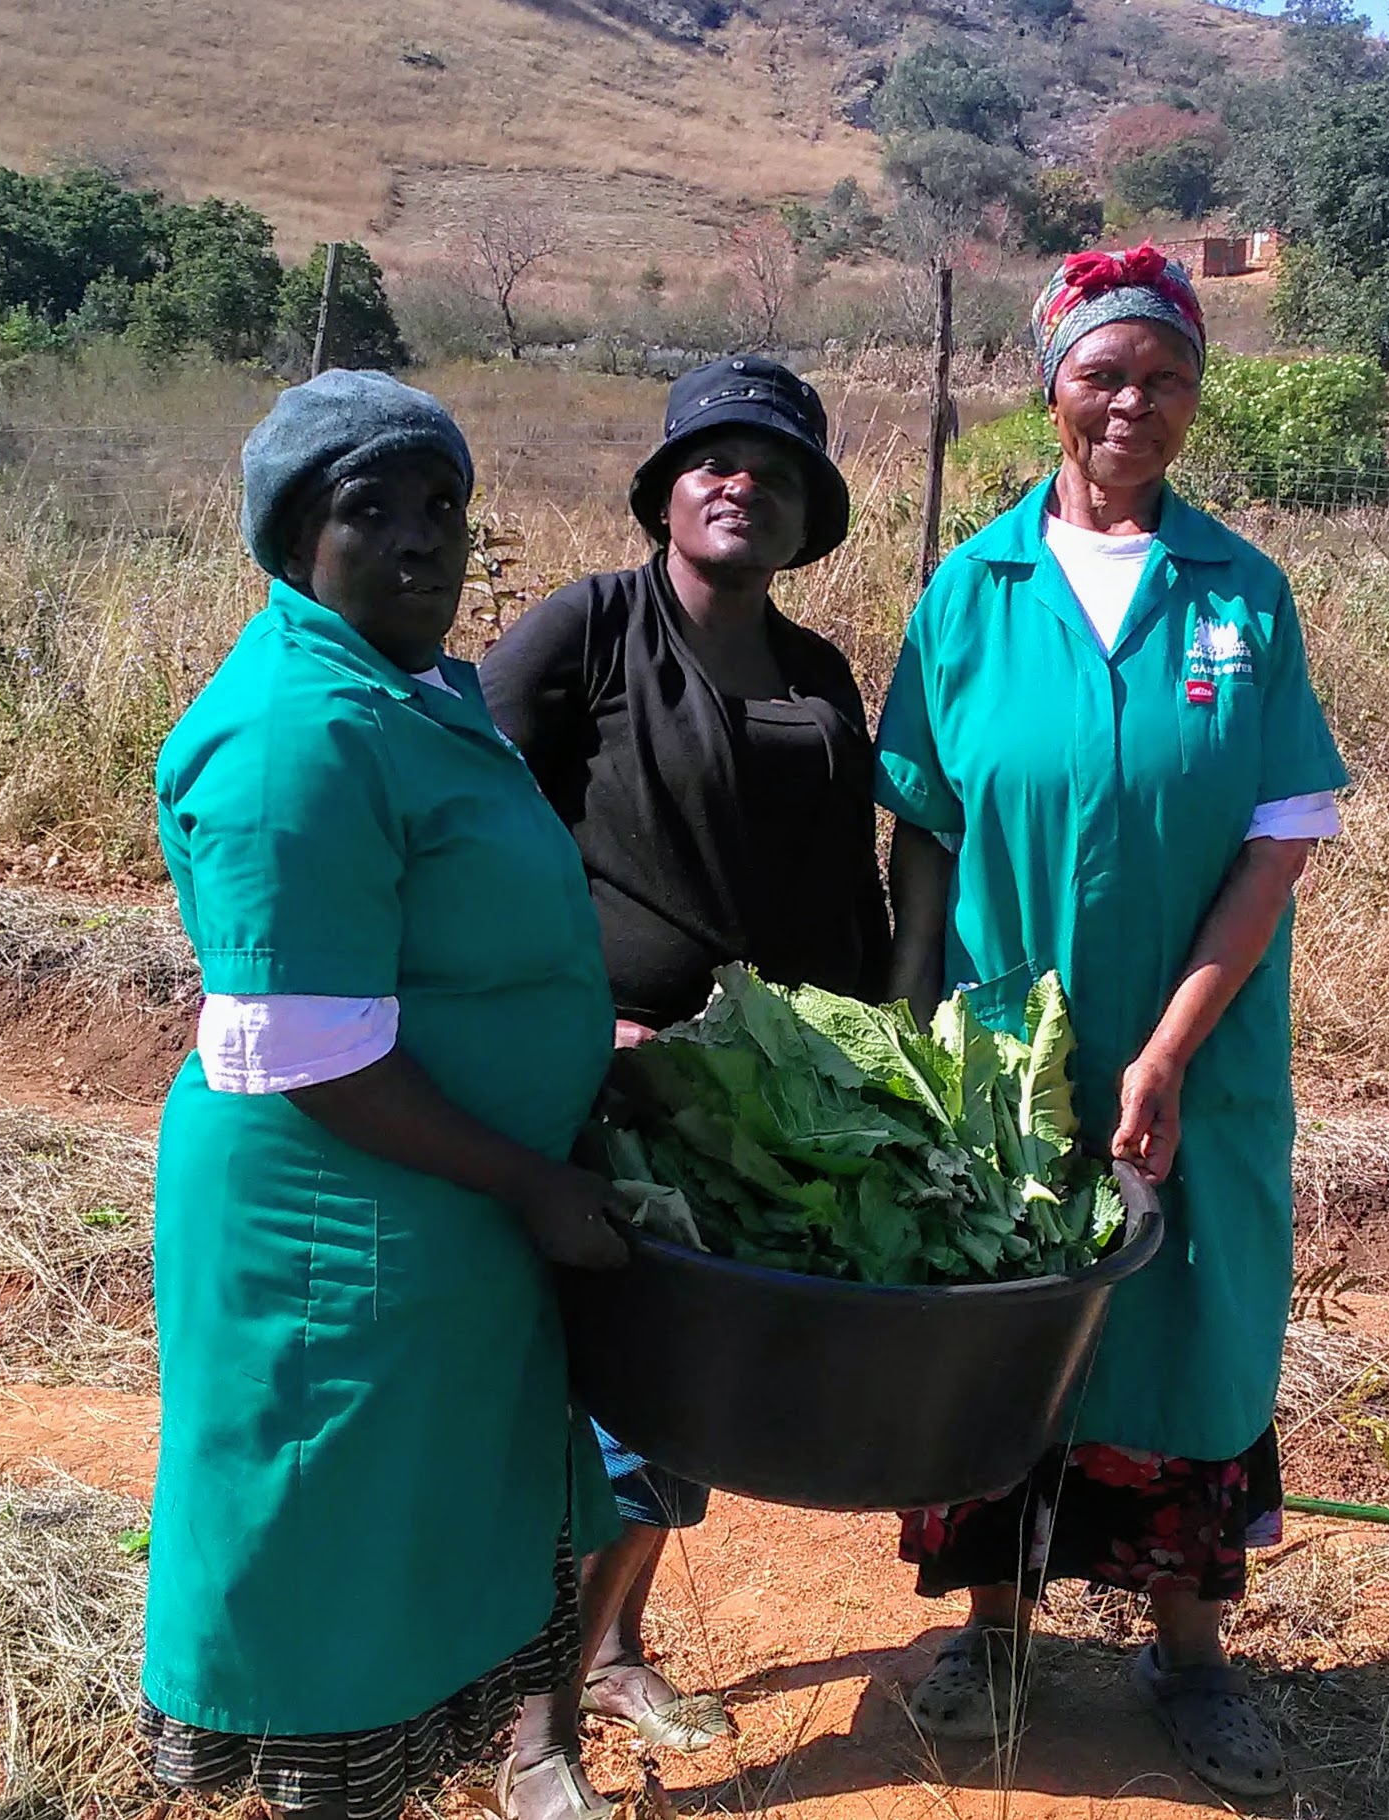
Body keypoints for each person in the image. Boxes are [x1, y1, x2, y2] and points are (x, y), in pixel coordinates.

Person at [874, 246, 1347, 1799]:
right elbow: (928, 827)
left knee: (1191, 1333)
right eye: (1104, 371)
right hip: (1002, 1054)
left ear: (1195, 398)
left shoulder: (1242, 593)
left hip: (1196, 1063)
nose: (1132, 401)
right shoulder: (970, 591)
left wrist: (1163, 1052)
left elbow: (1275, 843)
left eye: (1164, 376)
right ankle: (1001, 1637)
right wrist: (913, 1022)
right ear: (1051, 387)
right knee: (1004, 1335)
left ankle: (1189, 1658)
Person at [141, 369, 633, 1820]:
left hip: (435, 1231)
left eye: (445, 506)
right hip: (338, 1240)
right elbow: (303, 1050)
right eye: (374, 508)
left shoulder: (406, 692)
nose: (424, 539)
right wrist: (534, 1180)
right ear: (298, 536)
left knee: (416, 1564)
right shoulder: (298, 732)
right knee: (337, 1595)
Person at [480, 354, 888, 1802]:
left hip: (768, 1105)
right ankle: (543, 1741)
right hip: (611, 1087)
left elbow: (856, 889)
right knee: (616, 1402)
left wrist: (880, 1062)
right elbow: (470, 829)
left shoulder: (821, 672)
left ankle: (612, 1647)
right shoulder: (587, 631)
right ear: (664, 494)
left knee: (691, 1396)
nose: (741, 483)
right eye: (713, 461)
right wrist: (577, 1028)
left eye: (774, 470)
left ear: (804, 516)